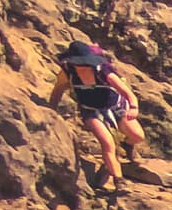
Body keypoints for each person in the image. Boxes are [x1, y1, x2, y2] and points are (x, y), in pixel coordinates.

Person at [47, 40, 145, 192]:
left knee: (137, 136)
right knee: (107, 144)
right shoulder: (68, 72)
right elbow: (57, 91)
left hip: (115, 106)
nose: (83, 65)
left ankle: (127, 145)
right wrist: (51, 111)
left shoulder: (102, 70)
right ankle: (119, 180)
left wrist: (133, 107)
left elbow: (127, 92)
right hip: (91, 111)